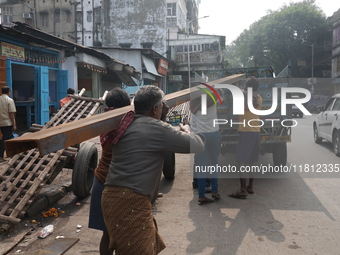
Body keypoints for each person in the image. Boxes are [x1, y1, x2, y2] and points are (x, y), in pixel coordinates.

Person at [101, 85, 205, 255]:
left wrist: (161, 119)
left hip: (111, 197)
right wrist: (188, 130)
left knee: (144, 245)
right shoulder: (158, 129)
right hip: (130, 201)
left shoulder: (126, 122)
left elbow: (152, 136)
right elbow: (198, 145)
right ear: (156, 108)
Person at [88, 87, 131, 255]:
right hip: (120, 185)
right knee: (124, 234)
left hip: (100, 181)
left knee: (107, 234)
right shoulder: (128, 123)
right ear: (128, 105)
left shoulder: (105, 122)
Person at [229, 76, 262, 199]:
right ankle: (250, 186)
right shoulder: (260, 98)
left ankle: (243, 189)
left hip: (246, 132)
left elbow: (243, 107)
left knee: (241, 161)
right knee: (252, 161)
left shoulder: (247, 100)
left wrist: (240, 92)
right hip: (256, 131)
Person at [190, 91, 222, 205]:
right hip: (213, 135)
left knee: (201, 167)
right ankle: (214, 191)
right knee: (214, 164)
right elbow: (219, 96)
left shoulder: (194, 107)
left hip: (201, 137)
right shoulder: (213, 103)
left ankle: (201, 196)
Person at [0, 86, 16, 162]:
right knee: (6, 139)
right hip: (7, 123)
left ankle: (9, 154)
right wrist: (14, 124)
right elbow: (11, 113)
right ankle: (2, 155)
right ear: (8, 92)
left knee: (7, 137)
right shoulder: (9, 100)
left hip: (1, 122)